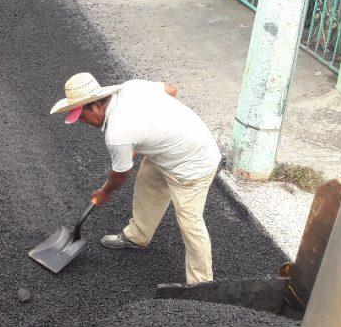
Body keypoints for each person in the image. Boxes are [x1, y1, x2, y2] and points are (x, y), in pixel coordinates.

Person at [49, 72, 221, 285]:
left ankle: (201, 284)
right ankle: (138, 236)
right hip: (169, 152)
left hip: (194, 162)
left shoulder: (117, 134)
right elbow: (171, 90)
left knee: (189, 221)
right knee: (148, 183)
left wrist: (104, 192)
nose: (83, 123)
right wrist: (155, 130)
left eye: (82, 116)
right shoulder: (131, 87)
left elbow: (120, 175)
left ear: (97, 106)